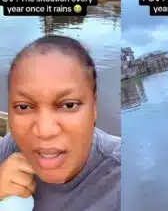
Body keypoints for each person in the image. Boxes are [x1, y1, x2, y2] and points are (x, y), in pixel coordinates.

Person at [0, 35, 121, 210]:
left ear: (94, 108)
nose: (45, 130)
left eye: (68, 105)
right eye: (24, 107)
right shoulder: (11, 148)